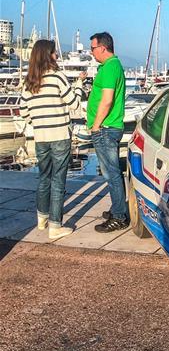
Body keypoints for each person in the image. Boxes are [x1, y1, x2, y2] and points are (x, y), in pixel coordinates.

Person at [20, 39, 85, 240]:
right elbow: (74, 103)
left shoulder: (29, 82)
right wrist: (80, 85)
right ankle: (55, 226)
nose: (57, 56)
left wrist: (38, 119)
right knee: (58, 180)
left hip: (41, 137)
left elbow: (23, 112)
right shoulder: (57, 77)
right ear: (48, 55)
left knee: (44, 178)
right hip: (59, 136)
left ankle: (42, 219)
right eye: (55, 53)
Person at [87, 32, 129, 232]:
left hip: (106, 128)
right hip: (106, 127)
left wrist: (96, 125)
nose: (91, 52)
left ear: (103, 47)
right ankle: (117, 208)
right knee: (109, 172)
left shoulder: (111, 67)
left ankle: (119, 216)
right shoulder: (108, 67)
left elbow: (107, 99)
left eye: (93, 48)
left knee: (111, 173)